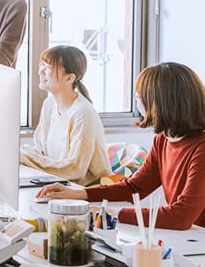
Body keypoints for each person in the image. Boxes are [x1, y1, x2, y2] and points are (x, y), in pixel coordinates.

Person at [37, 62, 205, 230]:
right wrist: (79, 194)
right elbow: (135, 187)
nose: (138, 103)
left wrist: (112, 213)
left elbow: (181, 216)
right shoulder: (163, 140)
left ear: (160, 103)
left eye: (138, 97)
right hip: (192, 238)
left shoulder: (201, 148)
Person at [20, 45, 111, 186]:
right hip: (59, 184)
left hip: (86, 191)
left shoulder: (83, 113)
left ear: (69, 78)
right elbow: (41, 151)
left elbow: (75, 169)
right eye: (42, 65)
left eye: (48, 68)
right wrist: (20, 153)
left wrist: (24, 157)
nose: (40, 71)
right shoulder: (49, 104)